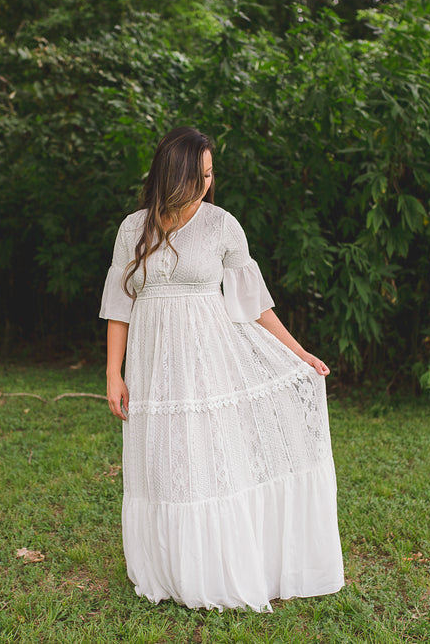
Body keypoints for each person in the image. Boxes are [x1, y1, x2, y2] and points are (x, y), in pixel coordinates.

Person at [99, 126, 344, 611]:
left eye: (212, 174)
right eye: (201, 174)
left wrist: (300, 353)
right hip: (152, 367)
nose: (209, 183)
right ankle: (170, 568)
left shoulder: (222, 226)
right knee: (164, 459)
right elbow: (119, 304)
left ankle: (216, 567)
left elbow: (253, 305)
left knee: (206, 456)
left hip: (208, 360)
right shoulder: (133, 228)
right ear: (175, 174)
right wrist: (113, 372)